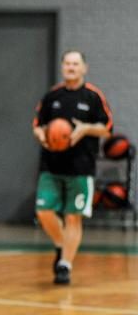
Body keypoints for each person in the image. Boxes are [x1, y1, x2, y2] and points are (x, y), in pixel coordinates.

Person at [33, 50, 113, 285]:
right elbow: (37, 126)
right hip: (51, 164)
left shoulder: (93, 96)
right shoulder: (52, 96)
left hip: (81, 167)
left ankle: (65, 265)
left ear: (84, 68)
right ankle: (61, 244)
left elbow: (107, 128)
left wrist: (85, 129)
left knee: (73, 217)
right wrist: (42, 136)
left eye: (75, 64)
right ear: (62, 67)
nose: (71, 67)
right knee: (44, 212)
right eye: (67, 63)